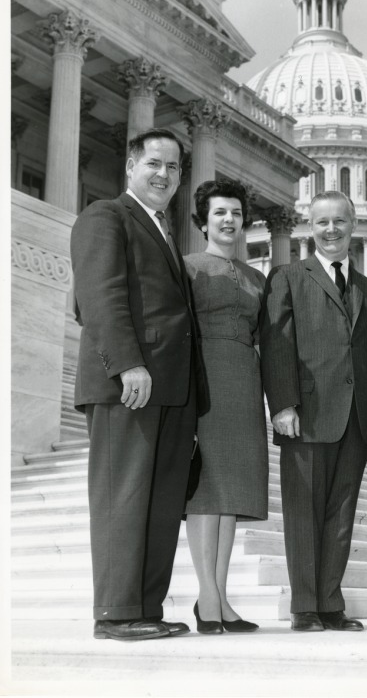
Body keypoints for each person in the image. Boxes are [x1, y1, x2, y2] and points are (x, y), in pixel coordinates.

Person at [71, 128, 206, 641]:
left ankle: (145, 608)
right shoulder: (105, 216)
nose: (164, 175)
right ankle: (115, 612)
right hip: (128, 384)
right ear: (131, 166)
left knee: (161, 503)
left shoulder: (165, 231)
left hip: (171, 390)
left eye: (173, 168)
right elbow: (98, 296)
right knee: (123, 497)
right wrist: (128, 363)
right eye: (154, 163)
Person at [259, 191, 367, 632]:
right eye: (322, 222)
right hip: (306, 414)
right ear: (310, 227)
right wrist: (283, 404)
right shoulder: (288, 276)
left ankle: (331, 603)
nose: (331, 230)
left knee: (342, 515)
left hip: (355, 418)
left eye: (339, 222)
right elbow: (276, 344)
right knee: (303, 512)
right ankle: (305, 606)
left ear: (353, 225)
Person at [184, 179, 268, 634]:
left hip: (244, 382)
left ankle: (218, 596)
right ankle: (208, 597)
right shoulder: (188, 267)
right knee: (206, 493)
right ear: (204, 220)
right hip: (205, 379)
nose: (229, 220)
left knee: (230, 496)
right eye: (220, 212)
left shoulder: (256, 277)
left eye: (235, 212)